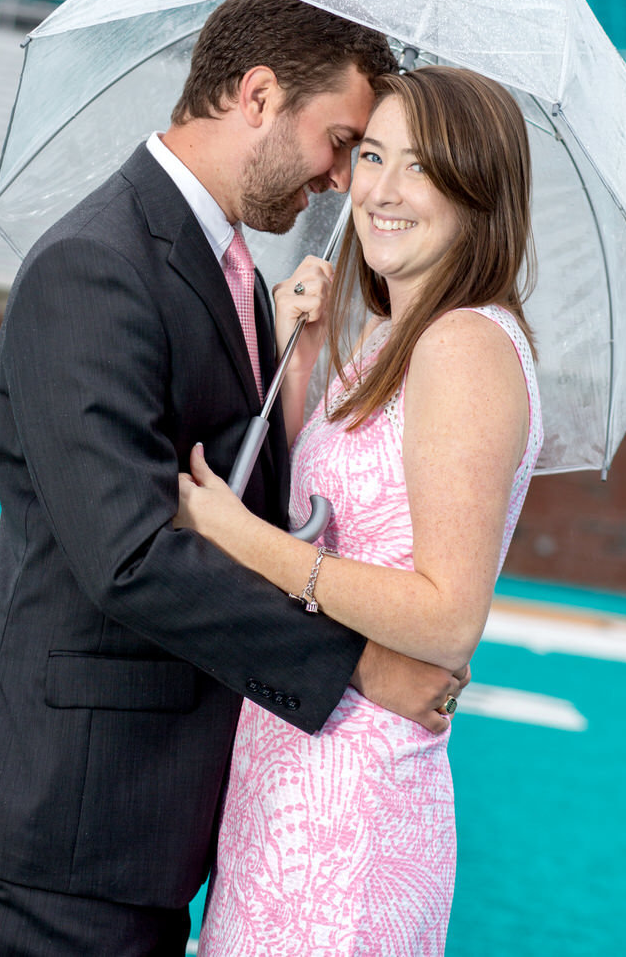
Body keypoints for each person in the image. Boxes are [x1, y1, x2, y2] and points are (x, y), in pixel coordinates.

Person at [0, 0, 468, 957]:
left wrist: (291, 380)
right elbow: (128, 554)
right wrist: (360, 667)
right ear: (256, 94)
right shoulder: (95, 263)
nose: (340, 180)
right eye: (339, 140)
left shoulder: (227, 265)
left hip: (124, 835)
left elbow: (221, 494)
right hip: (49, 825)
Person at [175, 65, 544, 957]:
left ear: (478, 190)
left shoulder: (462, 345)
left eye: (418, 167)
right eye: (372, 153)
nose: (378, 188)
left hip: (354, 804)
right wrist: (296, 356)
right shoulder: (389, 338)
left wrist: (239, 538)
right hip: (292, 771)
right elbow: (337, 513)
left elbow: (447, 618)